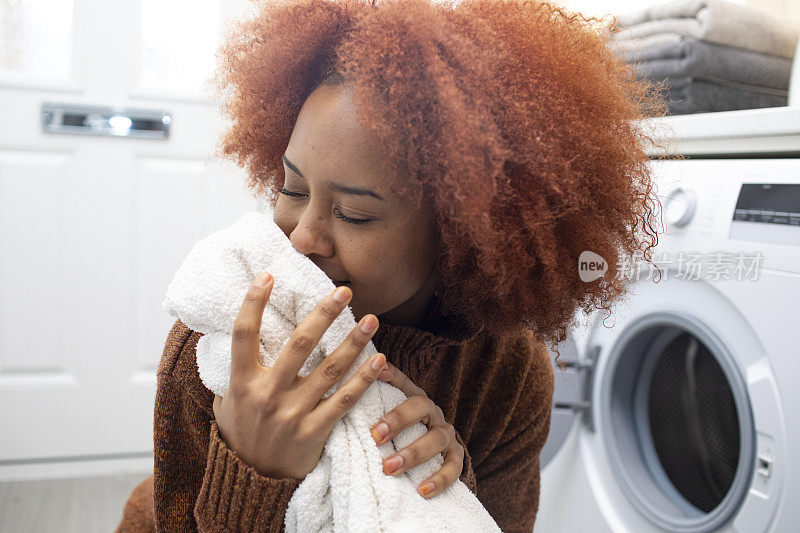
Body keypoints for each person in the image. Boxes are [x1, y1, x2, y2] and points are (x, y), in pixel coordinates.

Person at [116, 0, 667, 531]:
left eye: (354, 214)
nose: (302, 239)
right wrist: (253, 469)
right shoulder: (221, 339)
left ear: (460, 235)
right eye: (291, 187)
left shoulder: (508, 373)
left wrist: (447, 485)